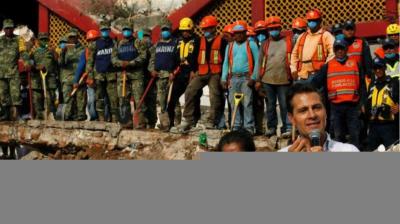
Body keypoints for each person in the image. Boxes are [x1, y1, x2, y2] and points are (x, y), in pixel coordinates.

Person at [173, 15, 227, 132]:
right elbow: (193, 57)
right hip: (201, 72)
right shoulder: (199, 41)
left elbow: (226, 60)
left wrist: (224, 76)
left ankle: (212, 121)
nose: (205, 31)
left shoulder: (222, 41)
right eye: (204, 29)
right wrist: (193, 70)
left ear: (214, 28)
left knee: (214, 95)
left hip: (215, 73)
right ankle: (188, 119)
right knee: (190, 91)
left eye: (208, 28)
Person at [311, 39, 366, 149]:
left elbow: (362, 85)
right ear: (334, 51)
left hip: (353, 106)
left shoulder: (355, 63)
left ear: (346, 49)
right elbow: (315, 82)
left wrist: (363, 103)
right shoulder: (328, 66)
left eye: (342, 48)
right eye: (337, 49)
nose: (340, 51)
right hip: (335, 107)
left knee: (355, 134)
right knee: (338, 135)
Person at [279, 83, 359, 152]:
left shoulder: (349, 150)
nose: (312, 115)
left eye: (316, 107)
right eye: (303, 110)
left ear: (326, 112)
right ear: (292, 118)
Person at [254, 16, 292, 138]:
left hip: (284, 79)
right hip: (267, 79)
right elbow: (259, 63)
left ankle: (287, 127)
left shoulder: (288, 42)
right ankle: (271, 127)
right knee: (270, 105)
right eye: (271, 29)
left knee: (284, 104)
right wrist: (258, 80)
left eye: (275, 28)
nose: (273, 30)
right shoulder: (265, 44)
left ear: (280, 28)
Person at [221, 20, 259, 134]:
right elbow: (226, 63)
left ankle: (248, 127)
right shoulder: (230, 46)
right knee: (233, 103)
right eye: (236, 33)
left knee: (247, 103)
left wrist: (254, 77)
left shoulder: (251, 44)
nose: (238, 35)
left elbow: (258, 61)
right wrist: (223, 78)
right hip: (233, 78)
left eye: (241, 33)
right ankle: (236, 126)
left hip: (246, 78)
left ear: (245, 33)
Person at [112, 21, 147, 128]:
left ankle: (140, 124)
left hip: (136, 75)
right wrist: (121, 63)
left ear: (132, 31)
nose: (126, 32)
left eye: (128, 30)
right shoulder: (118, 44)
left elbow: (143, 56)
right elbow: (113, 58)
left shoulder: (138, 42)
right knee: (123, 99)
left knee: (139, 100)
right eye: (124, 30)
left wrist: (131, 63)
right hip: (122, 75)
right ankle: (126, 123)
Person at [169, 17, 200, 129]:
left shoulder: (197, 40)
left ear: (191, 30)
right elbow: (173, 57)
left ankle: (194, 122)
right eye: (183, 30)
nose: (184, 33)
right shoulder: (178, 41)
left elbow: (198, 57)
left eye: (187, 30)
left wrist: (194, 70)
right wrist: (171, 71)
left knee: (194, 97)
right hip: (179, 73)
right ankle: (170, 123)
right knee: (171, 98)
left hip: (192, 72)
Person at [148, 19, 179, 131]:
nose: (165, 32)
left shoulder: (176, 43)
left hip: (171, 76)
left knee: (173, 100)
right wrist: (152, 70)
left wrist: (174, 72)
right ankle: (164, 123)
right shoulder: (157, 45)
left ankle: (176, 123)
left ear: (170, 30)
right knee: (161, 101)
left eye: (167, 29)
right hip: (159, 77)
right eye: (163, 30)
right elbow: (152, 60)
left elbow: (179, 60)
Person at [365, 57, 399, 151]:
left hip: (389, 126)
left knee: (392, 152)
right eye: (375, 68)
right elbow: (367, 103)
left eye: (380, 67)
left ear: (385, 68)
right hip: (373, 127)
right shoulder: (372, 85)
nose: (378, 70)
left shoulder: (394, 83)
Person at [290, 9, 335, 81]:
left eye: (314, 20)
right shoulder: (302, 36)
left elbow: (333, 53)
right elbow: (294, 54)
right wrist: (293, 69)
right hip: (301, 75)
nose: (311, 22)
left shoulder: (326, 35)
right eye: (310, 20)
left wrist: (324, 69)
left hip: (317, 75)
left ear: (320, 21)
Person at [86, 21, 118, 122]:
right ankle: (101, 118)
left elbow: (117, 58)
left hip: (111, 75)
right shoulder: (94, 45)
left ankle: (114, 119)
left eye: (106, 30)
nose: (105, 32)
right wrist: (90, 76)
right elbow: (90, 62)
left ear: (109, 31)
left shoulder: (114, 43)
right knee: (99, 97)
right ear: (100, 31)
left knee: (113, 98)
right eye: (103, 30)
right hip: (98, 75)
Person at [59, 28, 86, 121]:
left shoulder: (83, 49)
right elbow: (61, 64)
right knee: (68, 99)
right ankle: (69, 115)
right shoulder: (65, 50)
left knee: (80, 98)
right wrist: (62, 53)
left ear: (77, 37)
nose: (72, 39)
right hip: (67, 78)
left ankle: (81, 116)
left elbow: (85, 63)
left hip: (79, 78)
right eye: (70, 37)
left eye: (74, 37)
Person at [74, 29, 101, 121]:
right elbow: (80, 67)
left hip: (103, 80)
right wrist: (76, 80)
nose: (92, 43)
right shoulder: (85, 52)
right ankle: (94, 118)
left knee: (102, 100)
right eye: (90, 41)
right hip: (91, 81)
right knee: (91, 101)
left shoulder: (103, 51)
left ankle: (104, 118)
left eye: (94, 40)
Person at [30, 32, 58, 120]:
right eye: (42, 40)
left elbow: (58, 62)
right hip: (37, 80)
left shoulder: (52, 51)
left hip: (50, 80)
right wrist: (36, 67)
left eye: (46, 39)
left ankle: (50, 115)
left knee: (50, 99)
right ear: (38, 41)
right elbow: (29, 64)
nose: (44, 41)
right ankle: (39, 117)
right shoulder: (34, 53)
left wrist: (53, 52)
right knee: (37, 99)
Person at [0, 19, 22, 121]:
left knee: (16, 94)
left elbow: (23, 52)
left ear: (13, 29)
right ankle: (5, 114)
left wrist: (27, 61)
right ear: (4, 29)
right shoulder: (0, 40)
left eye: (10, 28)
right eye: (6, 28)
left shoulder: (19, 39)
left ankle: (17, 115)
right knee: (3, 95)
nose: (8, 30)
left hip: (13, 72)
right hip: (1, 73)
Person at [141, 28, 158, 129]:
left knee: (151, 101)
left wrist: (151, 70)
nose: (145, 39)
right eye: (144, 37)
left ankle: (151, 123)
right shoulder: (138, 47)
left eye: (147, 37)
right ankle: (142, 122)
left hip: (151, 77)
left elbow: (154, 61)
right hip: (139, 77)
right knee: (140, 100)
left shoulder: (154, 48)